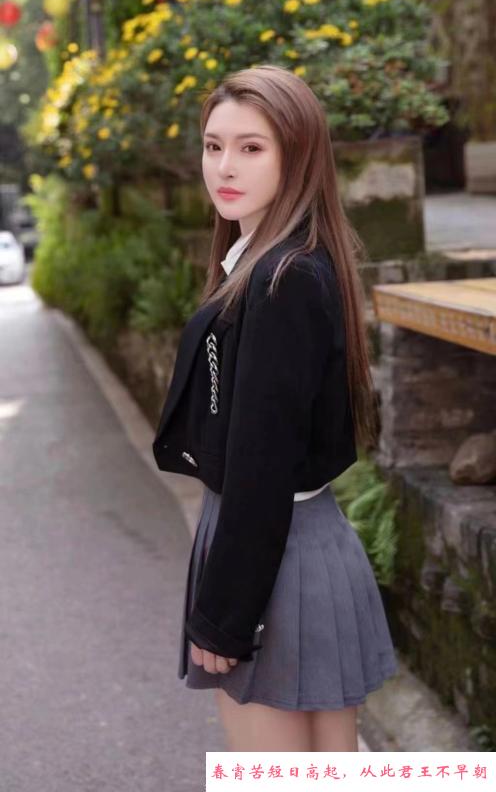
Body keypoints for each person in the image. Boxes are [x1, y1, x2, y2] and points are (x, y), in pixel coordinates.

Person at [152, 63, 398, 752]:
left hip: (271, 551)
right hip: (288, 544)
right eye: (213, 145)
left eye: (251, 147)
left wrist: (225, 616)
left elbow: (262, 463)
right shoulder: (274, 263)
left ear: (298, 155)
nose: (224, 166)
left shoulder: (281, 278)